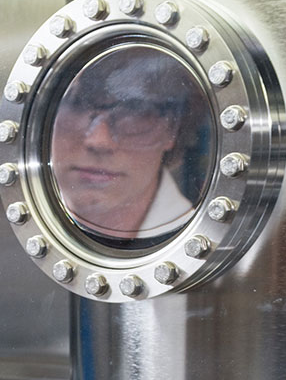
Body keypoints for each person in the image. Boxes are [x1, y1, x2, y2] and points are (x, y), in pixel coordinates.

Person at [47, 45, 212, 244]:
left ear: (174, 128)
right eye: (76, 104)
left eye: (135, 111)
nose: (99, 141)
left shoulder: (207, 248)